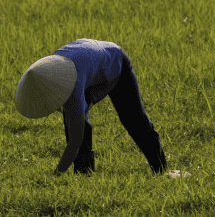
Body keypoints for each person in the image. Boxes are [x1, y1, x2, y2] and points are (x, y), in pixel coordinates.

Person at [14, 38, 167, 177]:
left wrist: (57, 174)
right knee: (73, 120)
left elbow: (75, 140)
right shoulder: (48, 71)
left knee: (134, 121)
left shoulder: (71, 85)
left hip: (115, 62)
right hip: (89, 65)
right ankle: (83, 176)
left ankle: (160, 169)